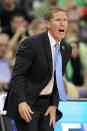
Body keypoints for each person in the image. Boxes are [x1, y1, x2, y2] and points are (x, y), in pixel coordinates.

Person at [4, 7, 72, 131]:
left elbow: (57, 79)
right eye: (58, 20)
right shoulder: (30, 44)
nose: (62, 23)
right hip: (27, 102)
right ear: (47, 24)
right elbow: (18, 75)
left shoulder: (66, 48)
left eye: (65, 20)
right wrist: (21, 102)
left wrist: (53, 105)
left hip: (47, 105)